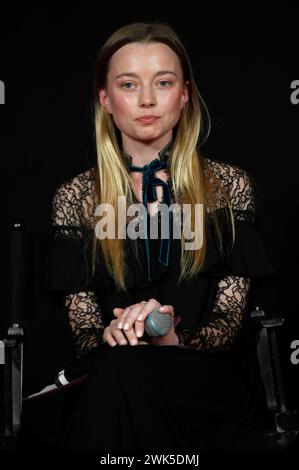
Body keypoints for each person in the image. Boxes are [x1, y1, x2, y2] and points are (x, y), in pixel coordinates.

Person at [47, 21, 276, 451]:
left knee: (122, 375)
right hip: (111, 375)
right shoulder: (75, 197)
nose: (148, 99)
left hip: (204, 381)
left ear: (185, 93)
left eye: (164, 82)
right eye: (129, 84)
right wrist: (114, 334)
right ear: (105, 99)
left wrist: (171, 338)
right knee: (119, 369)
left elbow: (228, 326)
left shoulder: (229, 187)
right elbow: (82, 333)